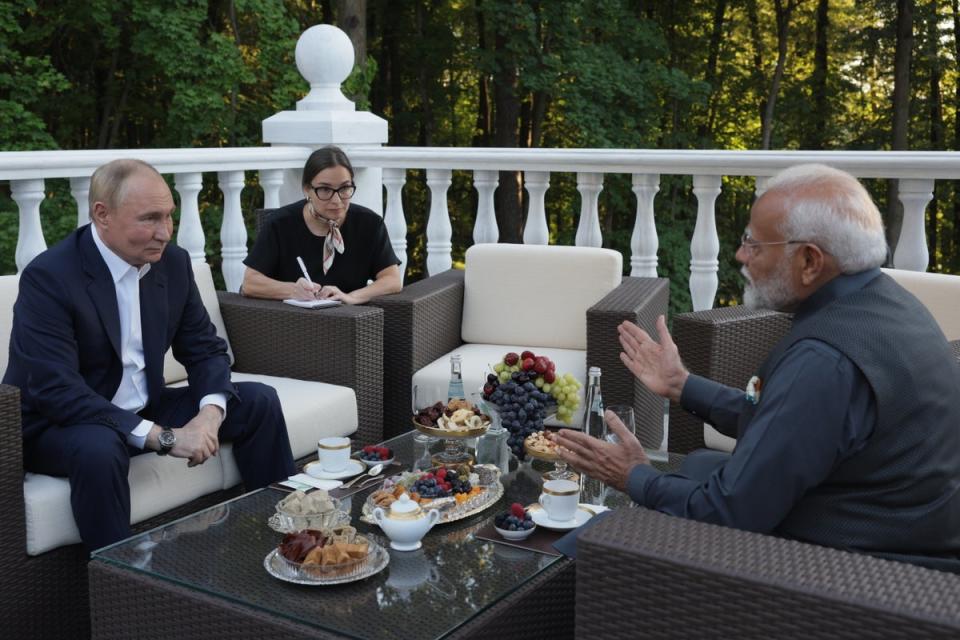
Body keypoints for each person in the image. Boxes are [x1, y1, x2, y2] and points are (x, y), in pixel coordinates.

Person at [553, 164, 960, 569]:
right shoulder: (888, 303)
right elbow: (796, 423)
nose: (740, 255)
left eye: (754, 244)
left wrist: (633, 476)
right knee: (696, 464)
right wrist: (682, 385)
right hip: (896, 522)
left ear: (809, 261)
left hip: (852, 570)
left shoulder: (823, 362)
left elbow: (725, 513)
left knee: (583, 544)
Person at [4, 158, 297, 552]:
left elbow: (206, 349)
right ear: (102, 214)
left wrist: (209, 416)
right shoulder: (50, 277)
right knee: (99, 448)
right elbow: (55, 389)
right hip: (59, 425)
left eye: (169, 216)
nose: (164, 232)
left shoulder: (173, 264)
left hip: (145, 406)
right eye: (150, 219)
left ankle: (283, 537)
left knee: (258, 400)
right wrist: (163, 437)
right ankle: (122, 581)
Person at [241, 145, 402, 304]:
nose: (337, 200)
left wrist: (351, 297)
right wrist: (292, 290)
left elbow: (392, 279)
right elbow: (250, 283)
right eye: (325, 189)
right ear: (307, 190)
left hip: (351, 322)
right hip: (290, 322)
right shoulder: (280, 224)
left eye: (345, 188)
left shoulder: (369, 224)